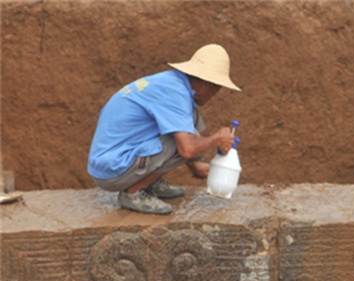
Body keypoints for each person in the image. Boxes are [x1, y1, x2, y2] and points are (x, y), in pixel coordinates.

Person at [88, 44, 240, 215]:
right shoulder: (174, 93)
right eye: (216, 88)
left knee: (189, 129)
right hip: (111, 169)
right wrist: (216, 140)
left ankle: (148, 182)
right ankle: (134, 193)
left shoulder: (172, 84)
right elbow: (187, 148)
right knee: (183, 141)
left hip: (110, 161)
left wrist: (196, 166)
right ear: (207, 84)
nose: (215, 94)